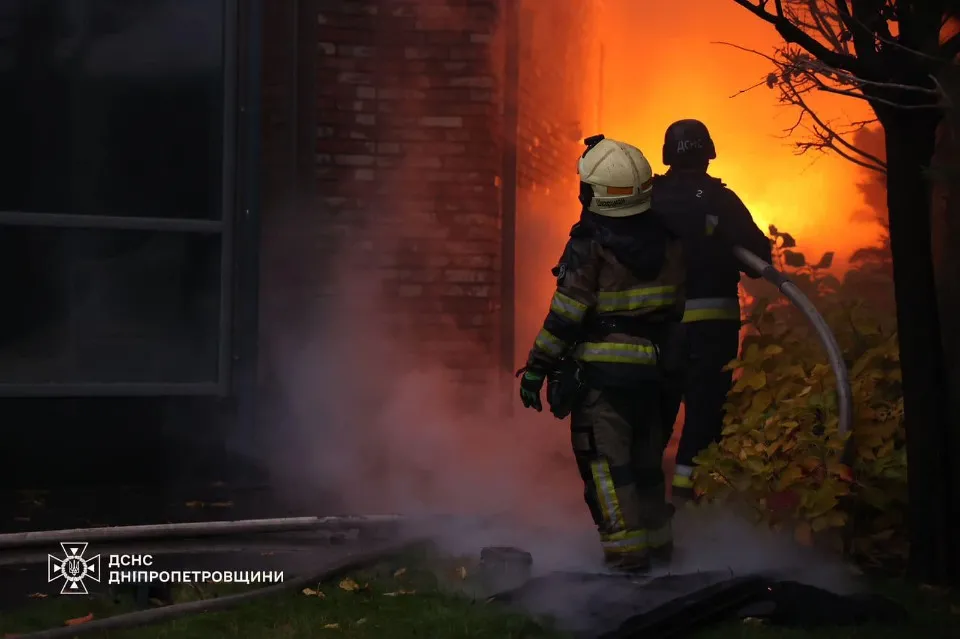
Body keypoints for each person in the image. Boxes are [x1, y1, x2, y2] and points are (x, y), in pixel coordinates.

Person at [517, 134, 685, 572]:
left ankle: (627, 565)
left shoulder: (590, 245)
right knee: (648, 466)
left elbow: (566, 315)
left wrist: (537, 368)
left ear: (596, 192)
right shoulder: (669, 241)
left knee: (608, 469)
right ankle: (661, 556)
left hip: (605, 381)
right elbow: (676, 309)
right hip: (658, 375)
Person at [651, 119, 773, 503]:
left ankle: (646, 507)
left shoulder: (648, 197)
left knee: (653, 417)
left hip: (658, 329)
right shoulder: (721, 200)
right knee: (703, 419)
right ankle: (687, 506)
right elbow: (758, 261)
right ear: (708, 153)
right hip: (711, 335)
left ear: (668, 155)